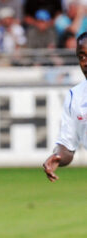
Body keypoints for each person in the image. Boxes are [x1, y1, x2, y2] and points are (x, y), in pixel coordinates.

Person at [43, 32, 87, 182]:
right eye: (81, 57)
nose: (85, 62)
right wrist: (58, 156)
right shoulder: (75, 96)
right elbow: (67, 146)